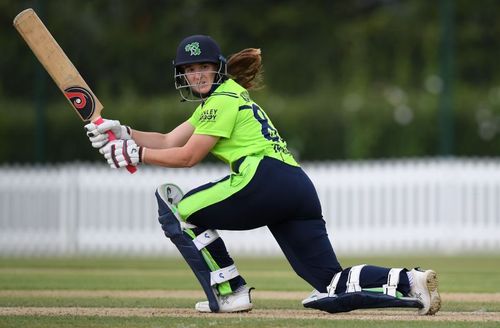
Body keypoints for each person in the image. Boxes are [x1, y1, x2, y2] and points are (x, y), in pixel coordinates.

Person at [84, 35, 441, 315]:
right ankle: (411, 281)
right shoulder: (225, 99)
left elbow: (188, 156)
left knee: (179, 207)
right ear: (183, 74)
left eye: (204, 67)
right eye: (191, 69)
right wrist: (124, 132)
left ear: (218, 69)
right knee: (329, 282)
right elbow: (166, 139)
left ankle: (231, 292)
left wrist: (137, 155)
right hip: (296, 186)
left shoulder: (221, 101)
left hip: (262, 177)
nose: (197, 75)